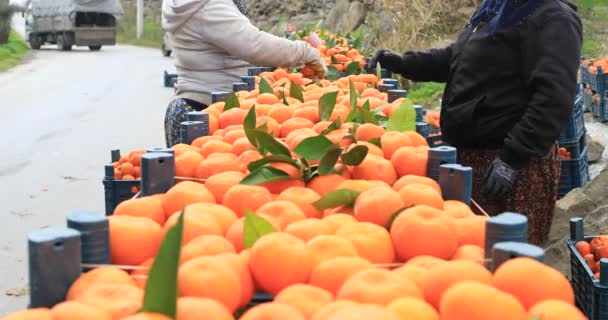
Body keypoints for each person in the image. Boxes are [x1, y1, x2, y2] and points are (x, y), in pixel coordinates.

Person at [371, 0, 582, 246]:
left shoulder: (554, 18)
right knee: (470, 252)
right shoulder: (497, 9)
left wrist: (511, 159)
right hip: (472, 159)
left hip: (512, 168)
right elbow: (457, 59)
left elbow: (553, 97)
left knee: (507, 261)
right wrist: (402, 63)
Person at [161, 0, 326, 147]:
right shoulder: (207, 6)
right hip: (212, 110)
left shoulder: (182, 4)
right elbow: (254, 45)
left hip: (197, 102)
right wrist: (303, 52)